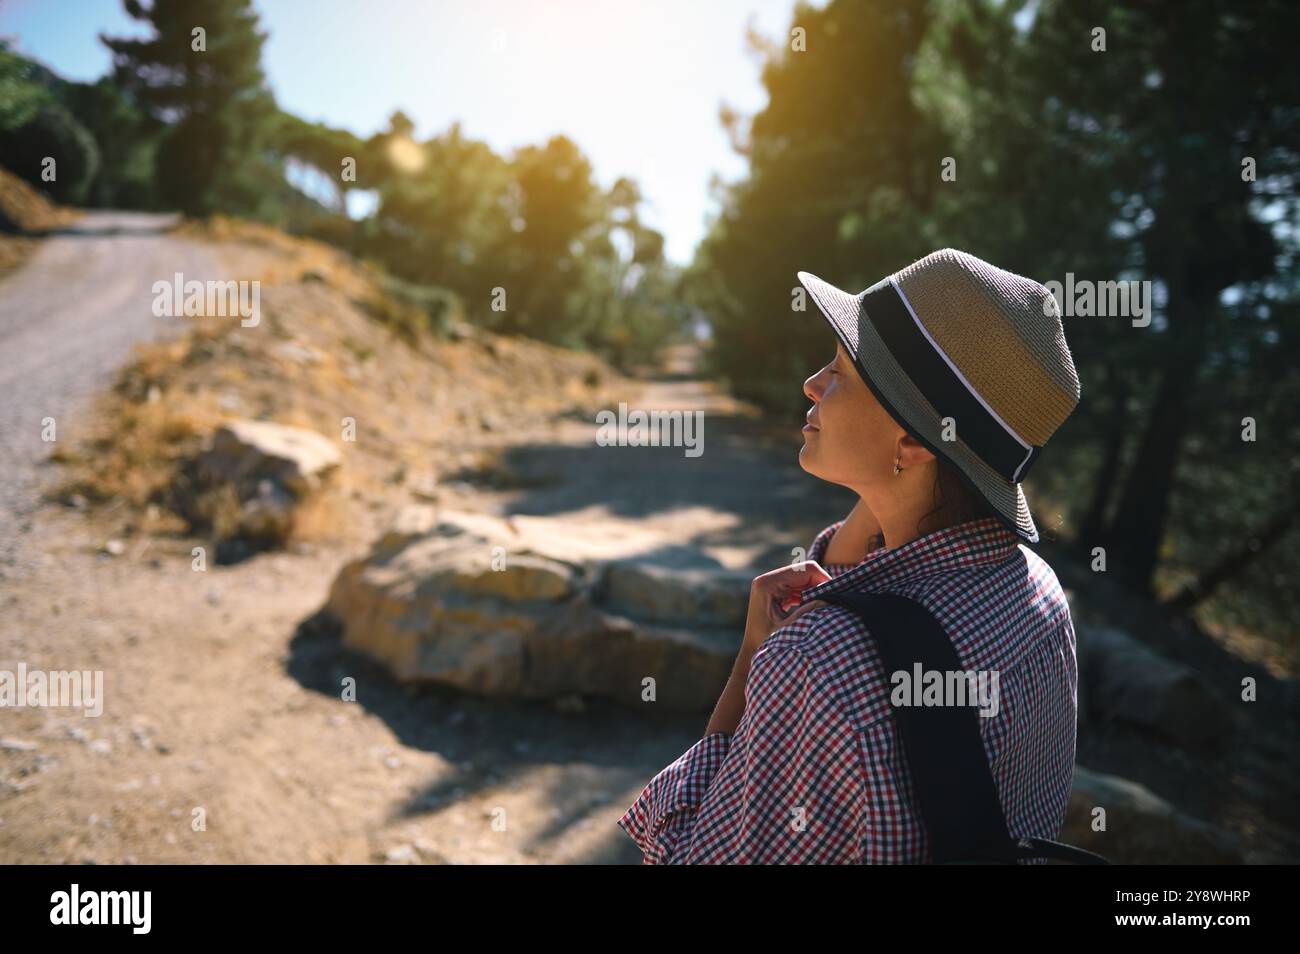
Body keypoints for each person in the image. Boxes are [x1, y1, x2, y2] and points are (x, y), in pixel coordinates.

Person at [617, 248, 1081, 863]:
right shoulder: (1038, 593)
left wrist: (752, 660)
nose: (812, 383)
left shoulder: (820, 663)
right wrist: (883, 486)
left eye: (841, 367)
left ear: (915, 440)